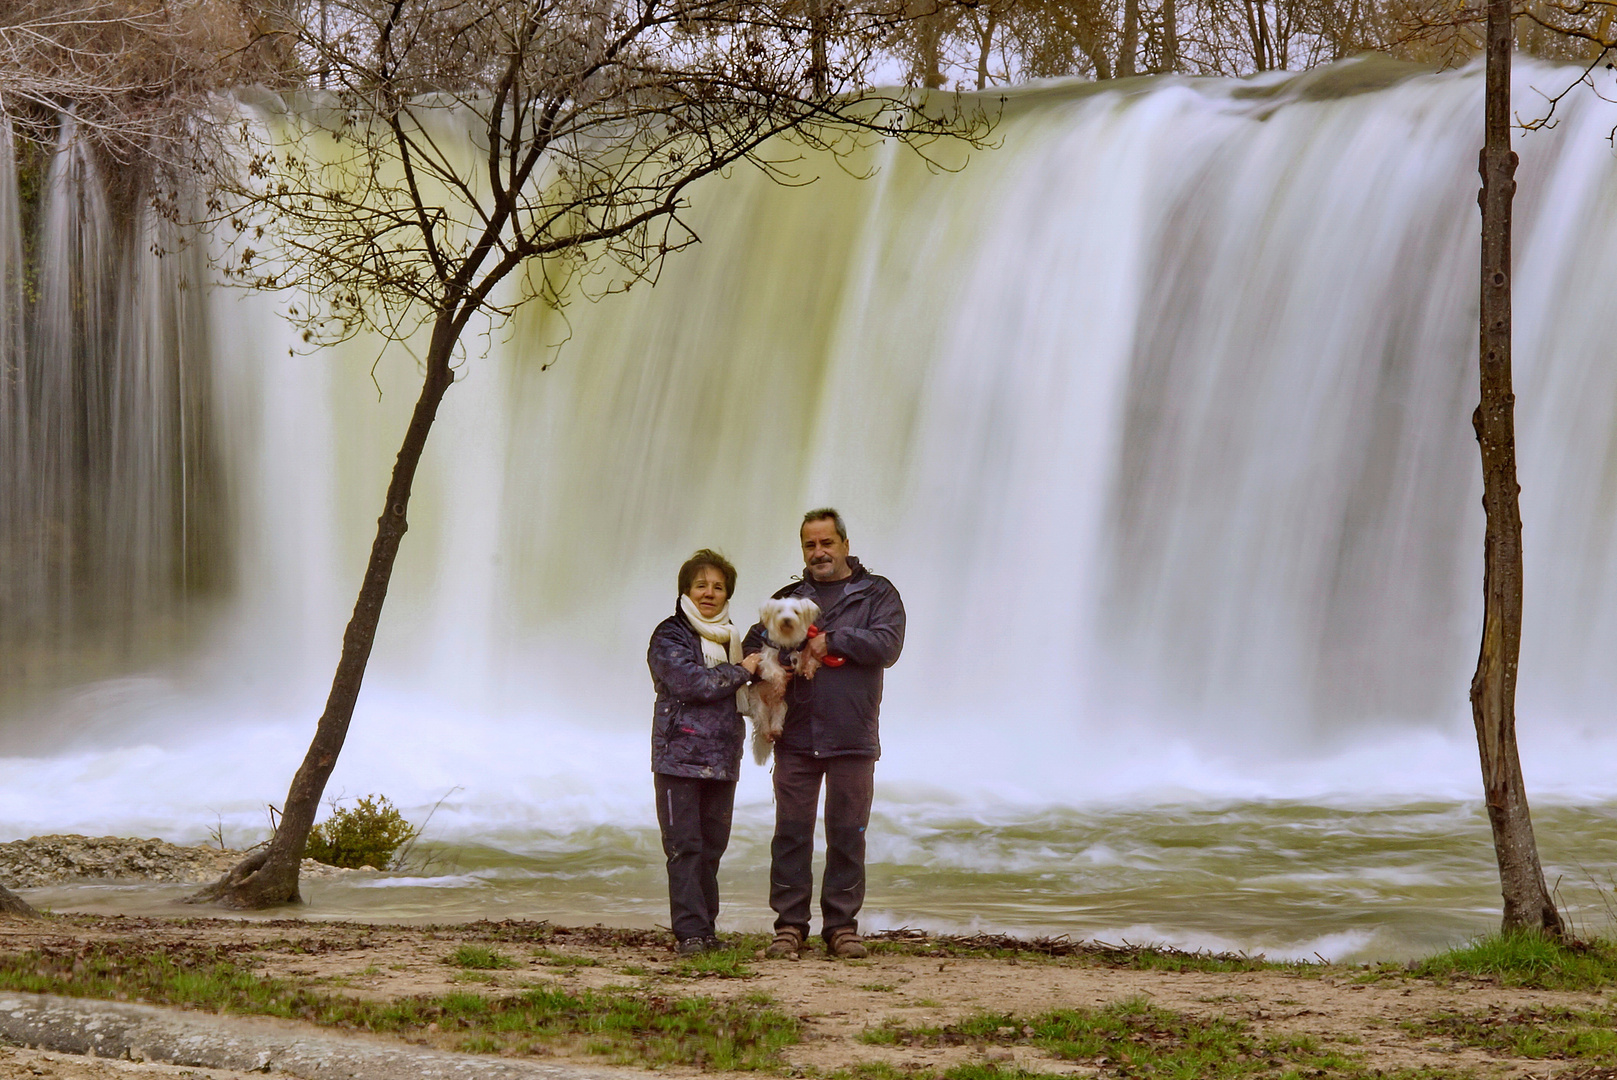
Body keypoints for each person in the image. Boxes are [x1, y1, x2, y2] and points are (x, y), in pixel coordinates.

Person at [745, 508, 905, 960]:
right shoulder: (788, 598)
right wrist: (765, 680)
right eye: (810, 545)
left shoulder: (877, 594)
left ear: (845, 545)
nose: (819, 552)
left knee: (848, 832)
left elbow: (889, 645)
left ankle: (841, 927)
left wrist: (833, 641)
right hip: (795, 736)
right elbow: (754, 648)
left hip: (853, 733)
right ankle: (789, 926)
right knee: (791, 832)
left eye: (826, 543)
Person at [647, 549, 763, 957]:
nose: (709, 593)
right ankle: (690, 934)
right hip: (677, 759)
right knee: (684, 848)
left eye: (717, 586)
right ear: (686, 591)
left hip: (722, 760)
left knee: (712, 848)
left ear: (727, 592)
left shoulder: (735, 638)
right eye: (701, 586)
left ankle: (706, 930)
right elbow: (690, 682)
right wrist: (742, 671)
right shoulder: (670, 635)